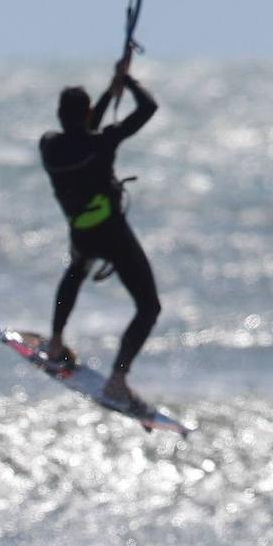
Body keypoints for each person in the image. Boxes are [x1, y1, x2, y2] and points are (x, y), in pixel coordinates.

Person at [39, 60, 160, 412]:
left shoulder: (49, 146)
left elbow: (79, 132)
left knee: (76, 270)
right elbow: (149, 108)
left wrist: (110, 91)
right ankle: (118, 380)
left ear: (59, 115)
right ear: (88, 112)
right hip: (114, 237)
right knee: (148, 307)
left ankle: (56, 342)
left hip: (81, 233)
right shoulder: (103, 142)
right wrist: (129, 81)